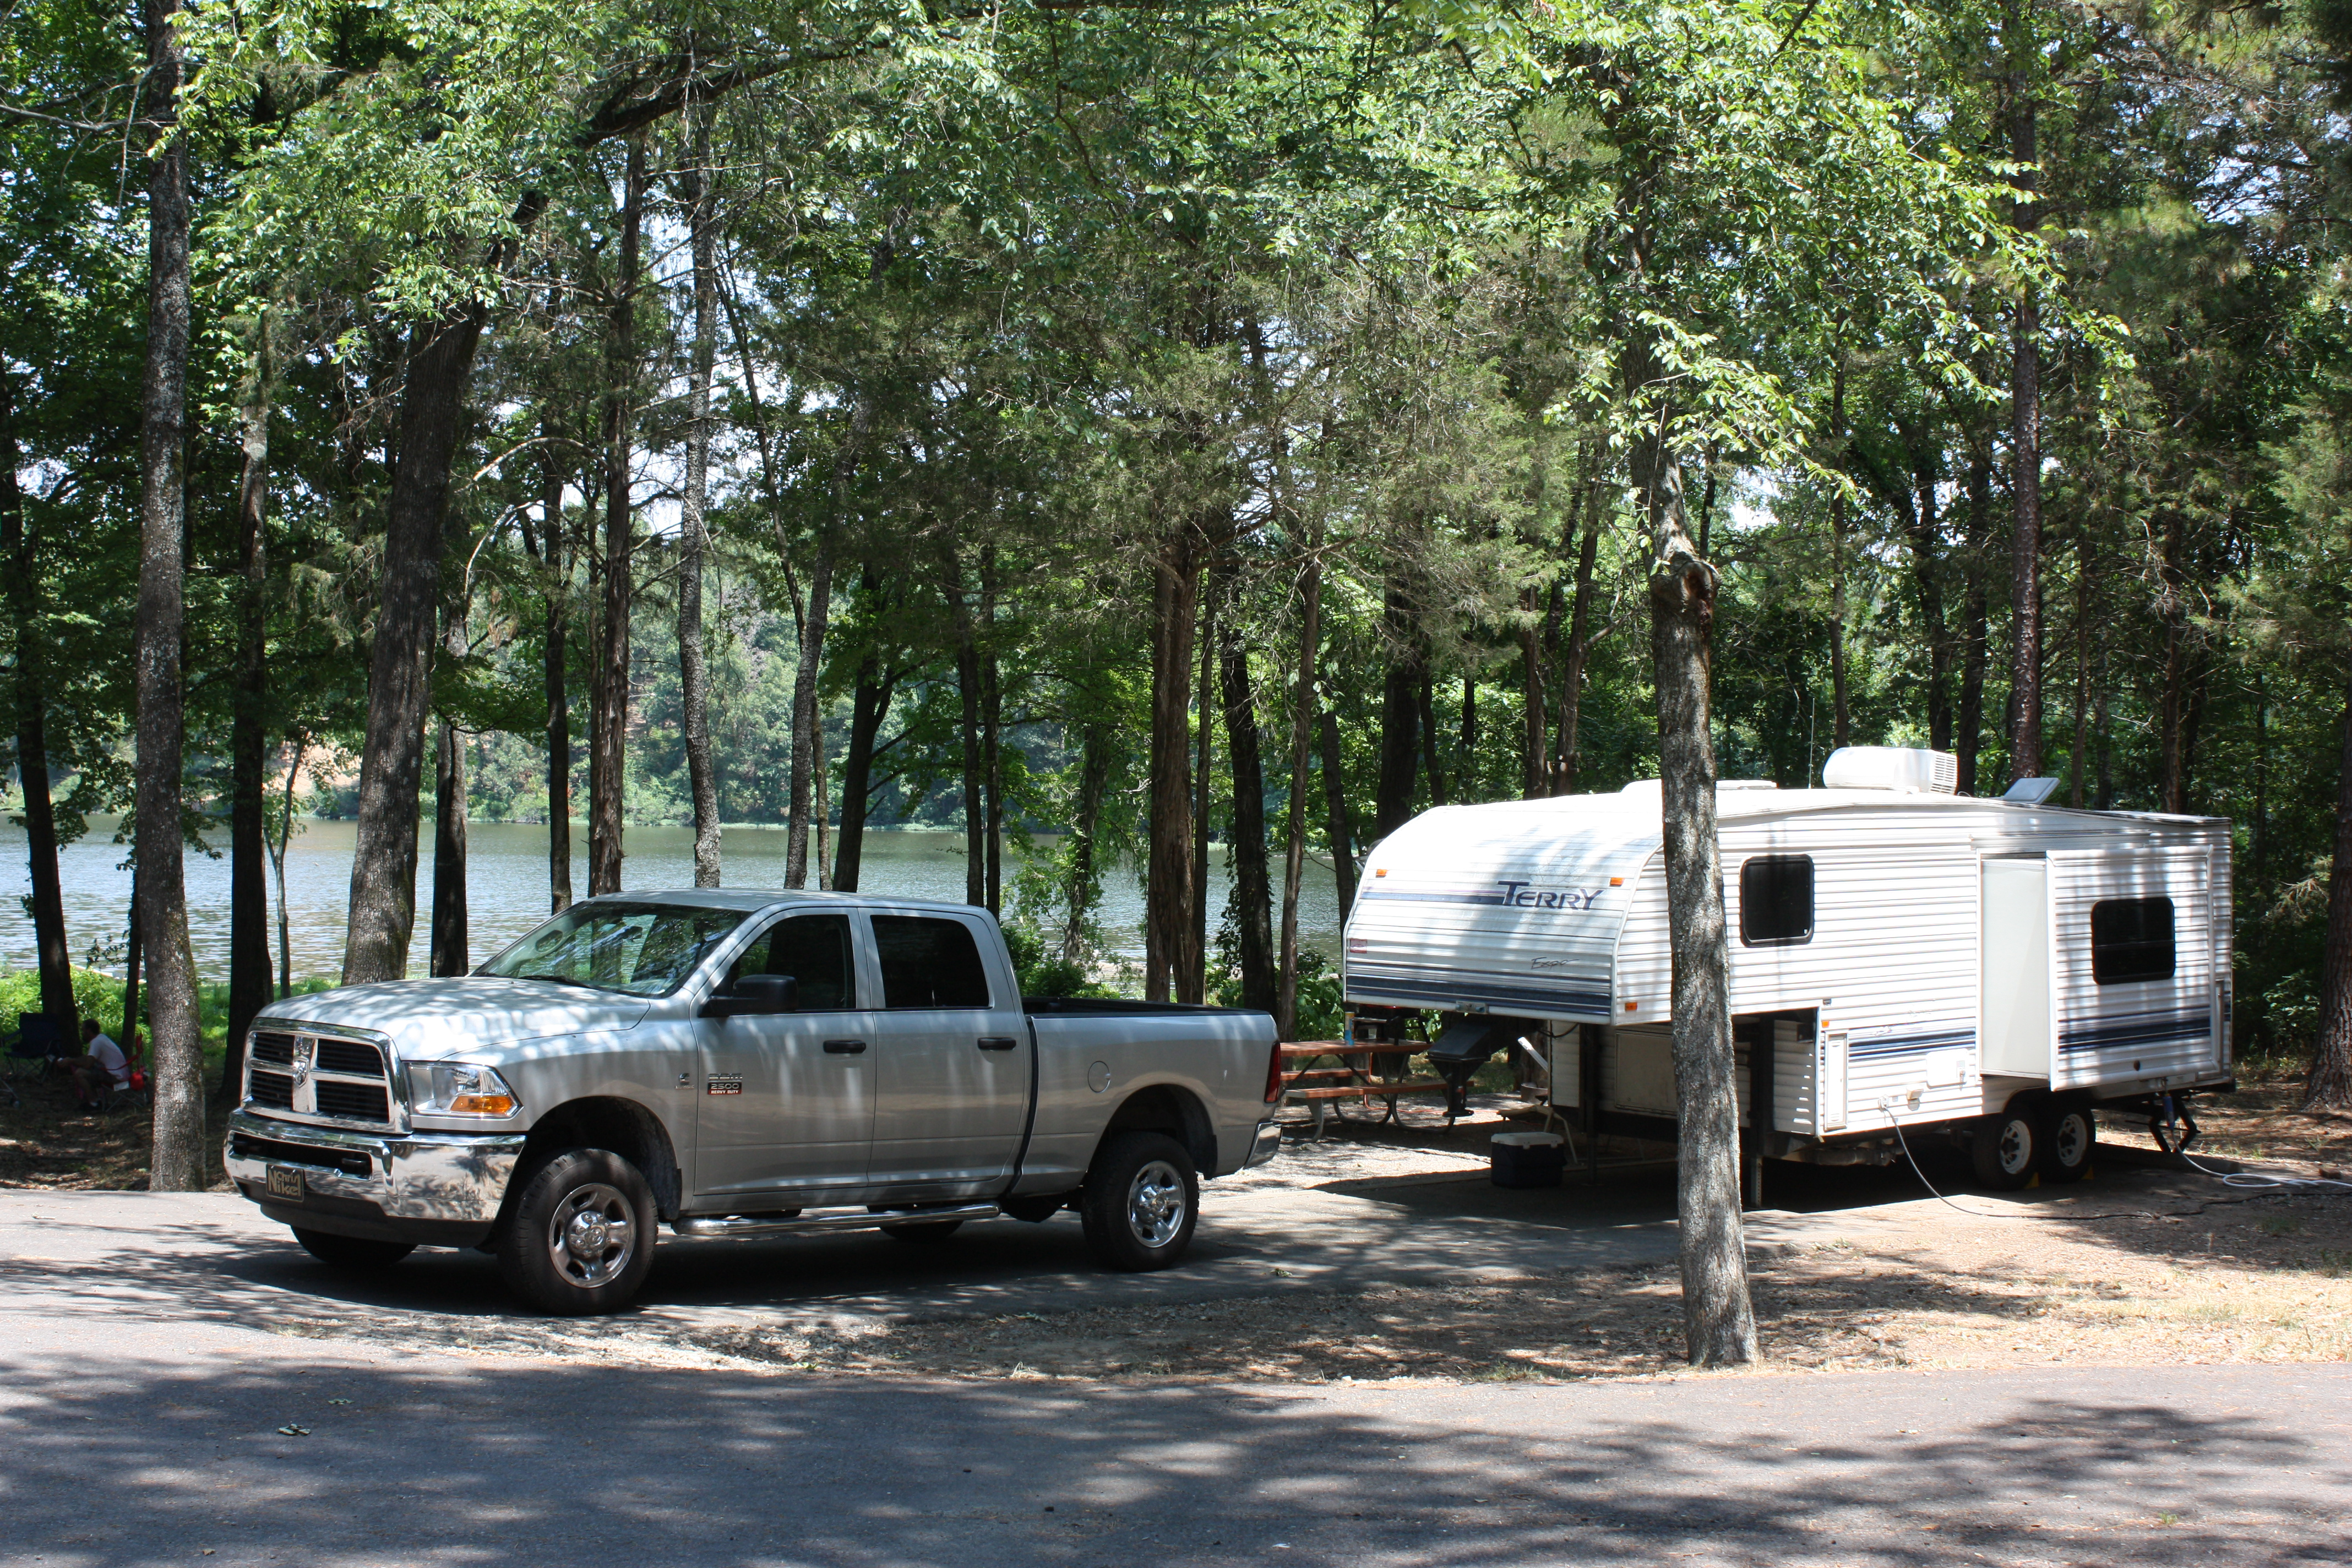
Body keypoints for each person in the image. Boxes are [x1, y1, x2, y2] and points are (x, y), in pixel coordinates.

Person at [61, 1019, 132, 1106]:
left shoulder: (96, 1042)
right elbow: (88, 1058)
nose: (82, 1033)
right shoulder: (101, 1038)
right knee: (91, 1072)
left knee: (80, 1073)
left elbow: (88, 1064)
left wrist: (71, 1061)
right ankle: (96, 1100)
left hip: (116, 1078)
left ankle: (94, 1103)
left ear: (89, 1031)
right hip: (120, 1074)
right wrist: (72, 1060)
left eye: (83, 1030)